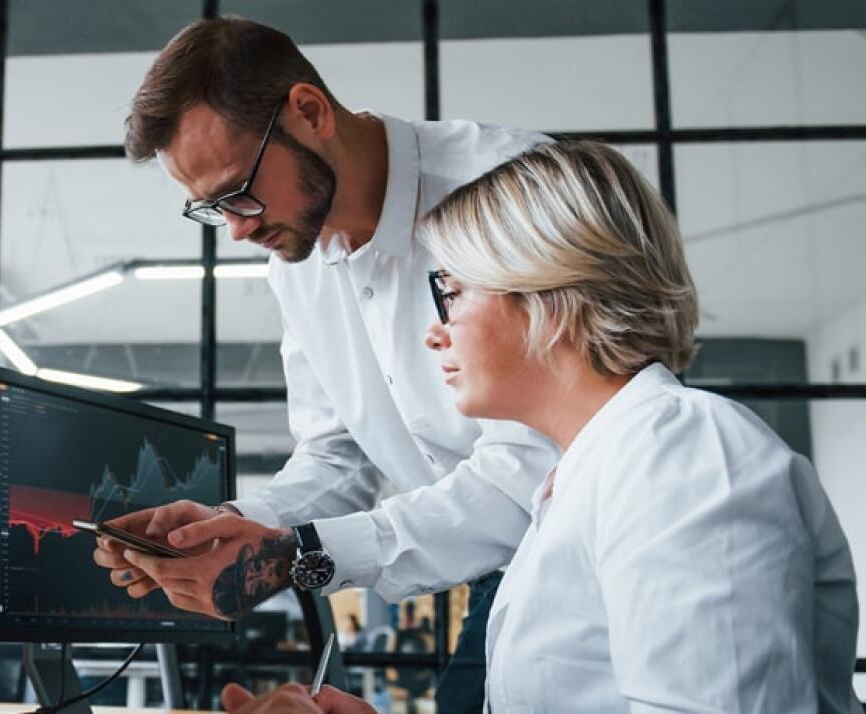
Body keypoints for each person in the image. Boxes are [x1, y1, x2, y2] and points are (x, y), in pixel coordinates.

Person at [220, 140, 862, 713]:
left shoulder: (683, 458)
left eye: (453, 292)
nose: (434, 331)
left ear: (546, 292)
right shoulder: (583, 475)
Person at [91, 15, 558, 713]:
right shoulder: (299, 260)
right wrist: (234, 525)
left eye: (238, 191)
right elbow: (338, 456)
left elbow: (535, 469)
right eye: (212, 209)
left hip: (589, 563)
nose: (239, 229)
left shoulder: (506, 189)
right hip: (495, 580)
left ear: (308, 112)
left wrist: (289, 555)